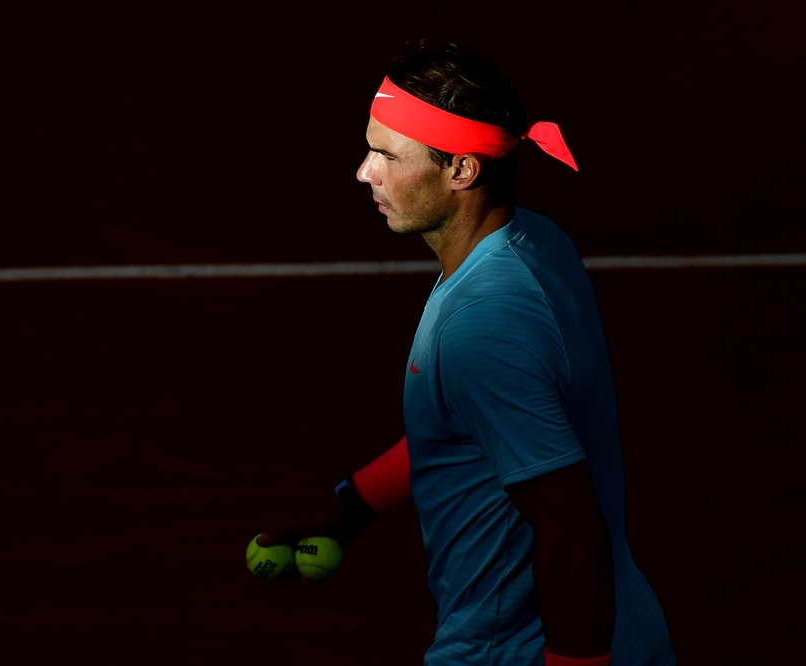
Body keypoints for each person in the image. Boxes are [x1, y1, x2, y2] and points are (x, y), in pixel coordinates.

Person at [256, 40, 676, 666]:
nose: (364, 172)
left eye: (386, 156)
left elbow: (571, 539)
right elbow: (469, 425)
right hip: (621, 626)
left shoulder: (483, 326)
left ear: (461, 170)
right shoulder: (537, 242)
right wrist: (349, 505)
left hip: (520, 649)